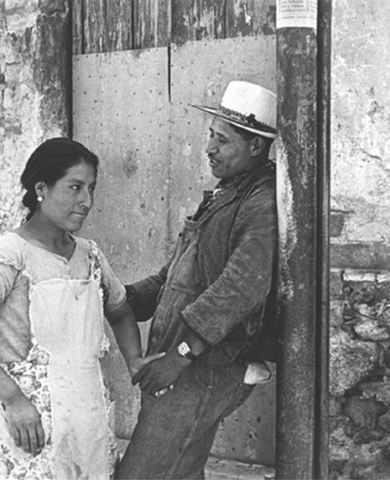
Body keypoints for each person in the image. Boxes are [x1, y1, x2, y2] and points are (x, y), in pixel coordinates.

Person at [0, 137, 162, 480]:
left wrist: (134, 359)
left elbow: (120, 312)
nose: (86, 201)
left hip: (87, 405)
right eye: (75, 187)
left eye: (90, 189)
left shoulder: (89, 255)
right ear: (41, 188)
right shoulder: (9, 256)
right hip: (30, 418)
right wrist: (13, 399)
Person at [116, 80, 279, 479]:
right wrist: (117, 296)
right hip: (187, 364)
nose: (209, 148)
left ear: (255, 146)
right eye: (211, 136)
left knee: (143, 474)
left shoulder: (260, 202)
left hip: (203, 368)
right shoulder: (227, 194)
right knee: (180, 470)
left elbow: (242, 288)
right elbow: (174, 275)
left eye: (222, 140)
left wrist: (179, 356)